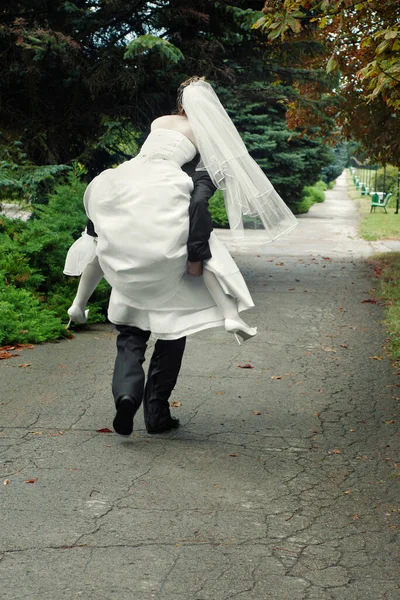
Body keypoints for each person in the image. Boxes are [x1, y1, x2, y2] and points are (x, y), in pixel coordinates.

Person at [64, 76, 297, 436]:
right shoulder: (204, 147)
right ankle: (157, 414)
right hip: (168, 253)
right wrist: (197, 254)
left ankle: (126, 394)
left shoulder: (157, 128)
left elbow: (99, 234)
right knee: (173, 333)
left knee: (130, 335)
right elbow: (200, 207)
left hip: (127, 240)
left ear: (179, 104)